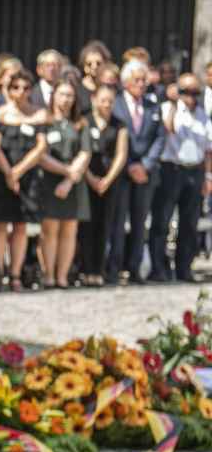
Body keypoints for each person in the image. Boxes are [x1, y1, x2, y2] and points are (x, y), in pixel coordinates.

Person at [0, 69, 48, 291]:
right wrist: (9, 173)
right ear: (8, 90)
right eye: (16, 87)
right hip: (2, 175)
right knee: (0, 225)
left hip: (27, 176)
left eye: (26, 88)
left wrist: (18, 172)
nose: (21, 92)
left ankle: (16, 274)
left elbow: (40, 147)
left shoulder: (38, 114)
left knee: (21, 226)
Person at [149, 73, 212, 282]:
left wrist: (208, 177)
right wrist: (175, 103)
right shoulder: (169, 108)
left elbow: (208, 150)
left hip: (195, 170)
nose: (191, 97)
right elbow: (169, 129)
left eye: (196, 92)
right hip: (171, 169)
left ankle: (184, 268)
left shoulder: (203, 115)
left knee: (189, 223)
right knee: (163, 220)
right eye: (186, 92)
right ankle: (159, 268)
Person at [110, 60, 165, 284]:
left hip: (146, 172)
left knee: (140, 221)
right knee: (118, 220)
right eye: (137, 80)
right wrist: (130, 164)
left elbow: (160, 137)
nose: (142, 84)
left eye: (144, 80)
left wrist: (146, 164)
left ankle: (134, 268)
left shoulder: (153, 105)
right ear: (125, 82)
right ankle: (114, 268)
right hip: (122, 171)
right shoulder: (115, 104)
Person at [37, 81, 91, 289]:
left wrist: (69, 179)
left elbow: (85, 153)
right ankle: (48, 275)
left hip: (74, 184)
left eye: (70, 95)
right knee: (49, 231)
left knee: (69, 230)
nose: (66, 99)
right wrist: (65, 171)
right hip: (50, 181)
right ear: (53, 96)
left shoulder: (80, 123)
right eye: (62, 94)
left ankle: (62, 276)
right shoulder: (45, 120)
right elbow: (41, 155)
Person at [78, 84, 129, 286]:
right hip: (86, 177)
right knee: (86, 226)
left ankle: (98, 270)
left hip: (109, 181)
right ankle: (85, 269)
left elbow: (121, 154)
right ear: (94, 99)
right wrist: (89, 176)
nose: (107, 104)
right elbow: (80, 150)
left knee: (104, 224)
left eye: (110, 101)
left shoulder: (119, 125)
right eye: (103, 100)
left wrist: (108, 180)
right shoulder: (84, 120)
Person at [77, 41, 111, 116]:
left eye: (98, 63)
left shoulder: (110, 88)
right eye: (89, 64)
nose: (94, 67)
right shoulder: (77, 89)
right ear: (84, 66)